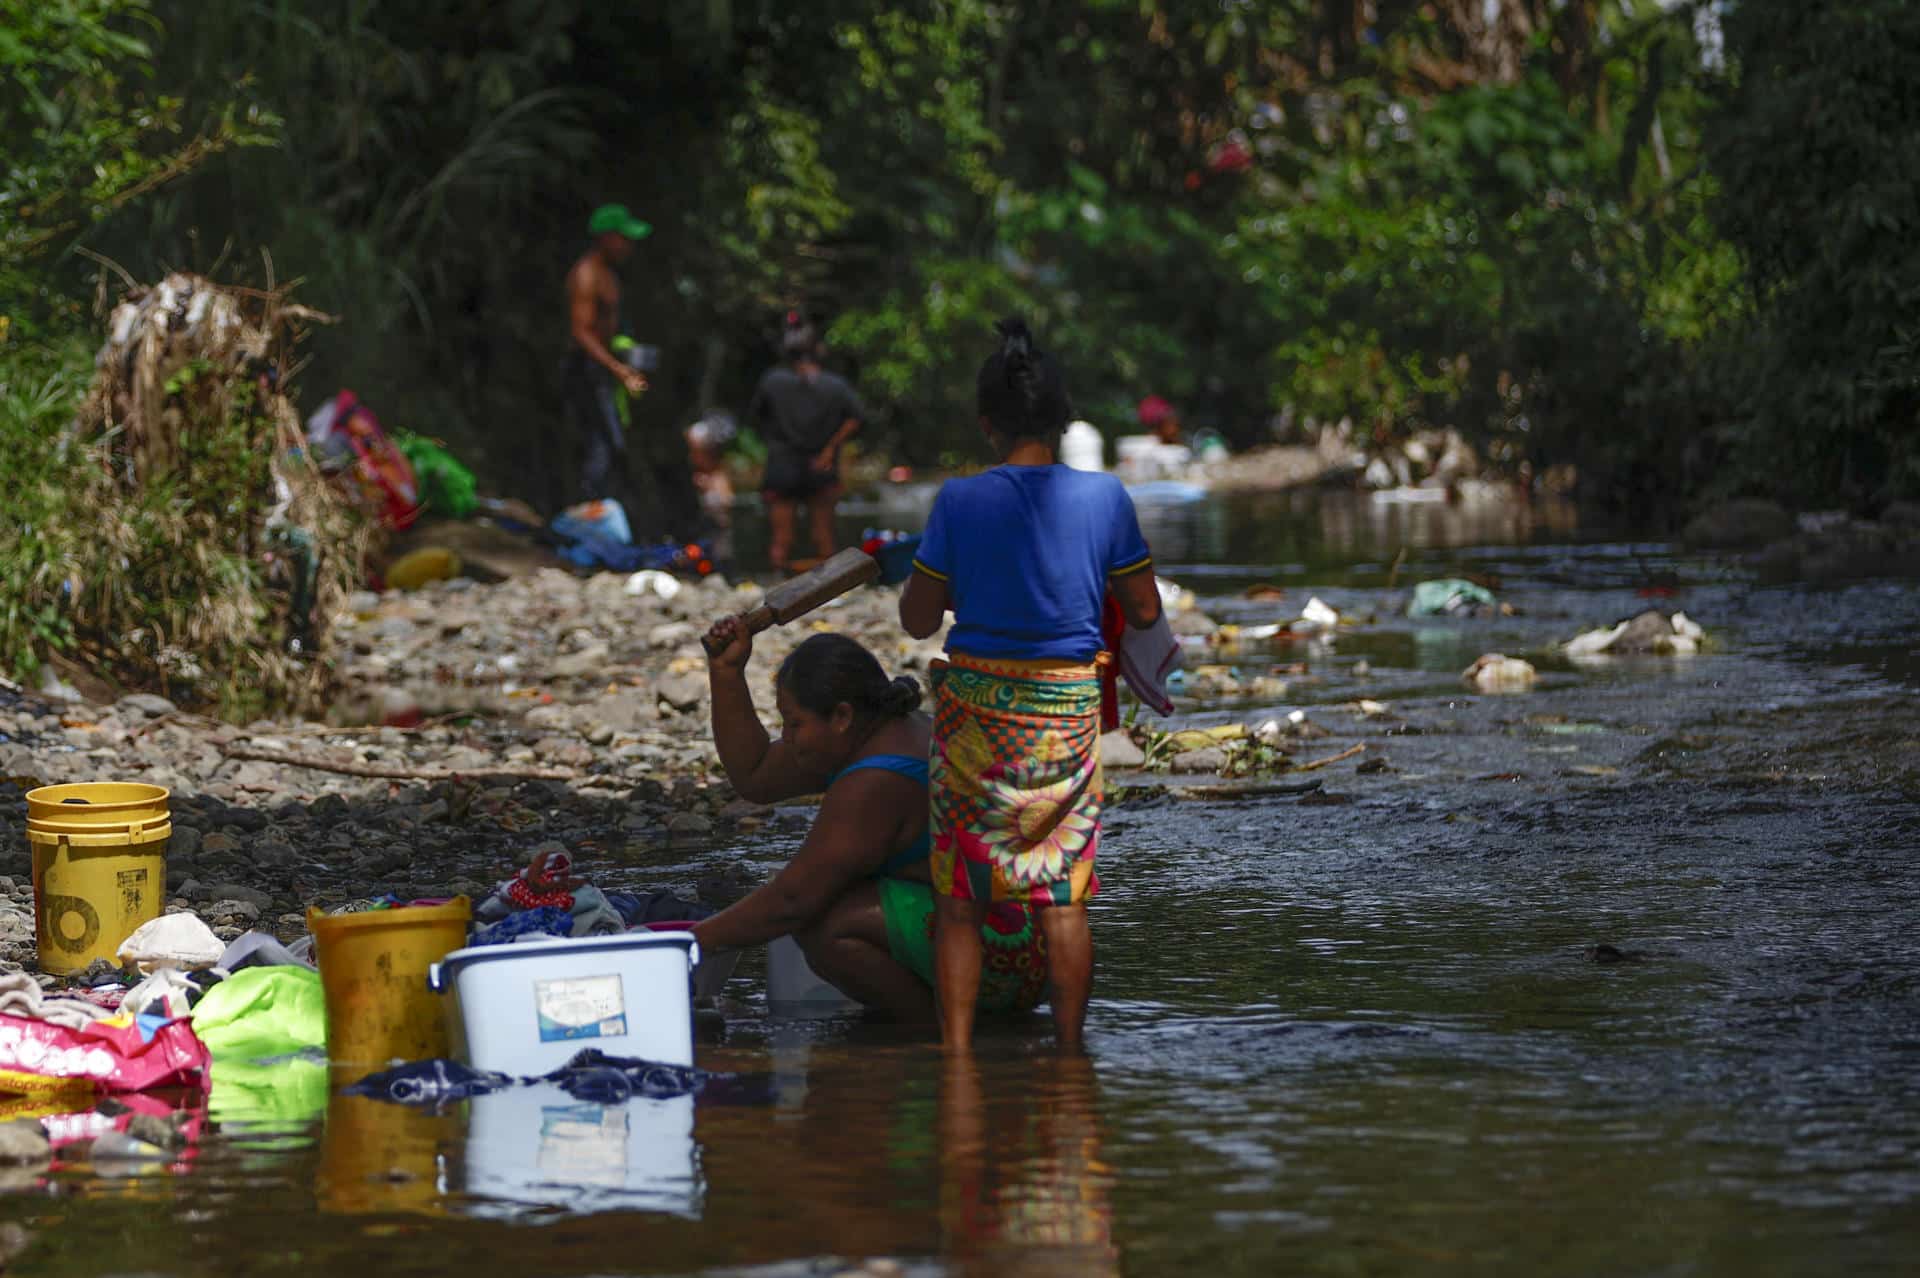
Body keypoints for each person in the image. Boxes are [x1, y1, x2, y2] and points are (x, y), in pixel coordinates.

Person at [899, 318, 1163, 1054]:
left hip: (975, 713)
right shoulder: (1106, 498)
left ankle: (957, 1063)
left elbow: (919, 620)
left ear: (987, 425)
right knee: (1062, 898)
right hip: (1065, 714)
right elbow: (1143, 609)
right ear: (1063, 418)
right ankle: (1072, 1059)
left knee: (958, 898)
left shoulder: (957, 501)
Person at [692, 623, 1050, 1020]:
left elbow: (793, 901)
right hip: (1027, 943)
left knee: (826, 925)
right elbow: (757, 773)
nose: (787, 737)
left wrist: (689, 942)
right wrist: (726, 672)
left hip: (1008, 952)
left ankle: (933, 1037)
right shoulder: (884, 732)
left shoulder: (878, 780)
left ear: (842, 716)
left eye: (794, 723)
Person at [747, 319, 864, 572]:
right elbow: (856, 417)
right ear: (817, 351)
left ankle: (777, 586)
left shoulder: (772, 381)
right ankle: (828, 588)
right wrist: (831, 447)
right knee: (823, 536)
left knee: (781, 538)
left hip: (781, 465)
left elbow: (757, 417)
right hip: (821, 465)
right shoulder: (835, 385)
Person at [563, 204, 652, 511]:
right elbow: (581, 332)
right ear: (607, 237)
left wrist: (627, 356)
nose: (630, 246)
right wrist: (619, 370)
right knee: (601, 446)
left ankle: (600, 513)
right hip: (587, 370)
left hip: (603, 369)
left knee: (612, 445)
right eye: (624, 238)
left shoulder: (609, 275)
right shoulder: (587, 275)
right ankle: (591, 514)